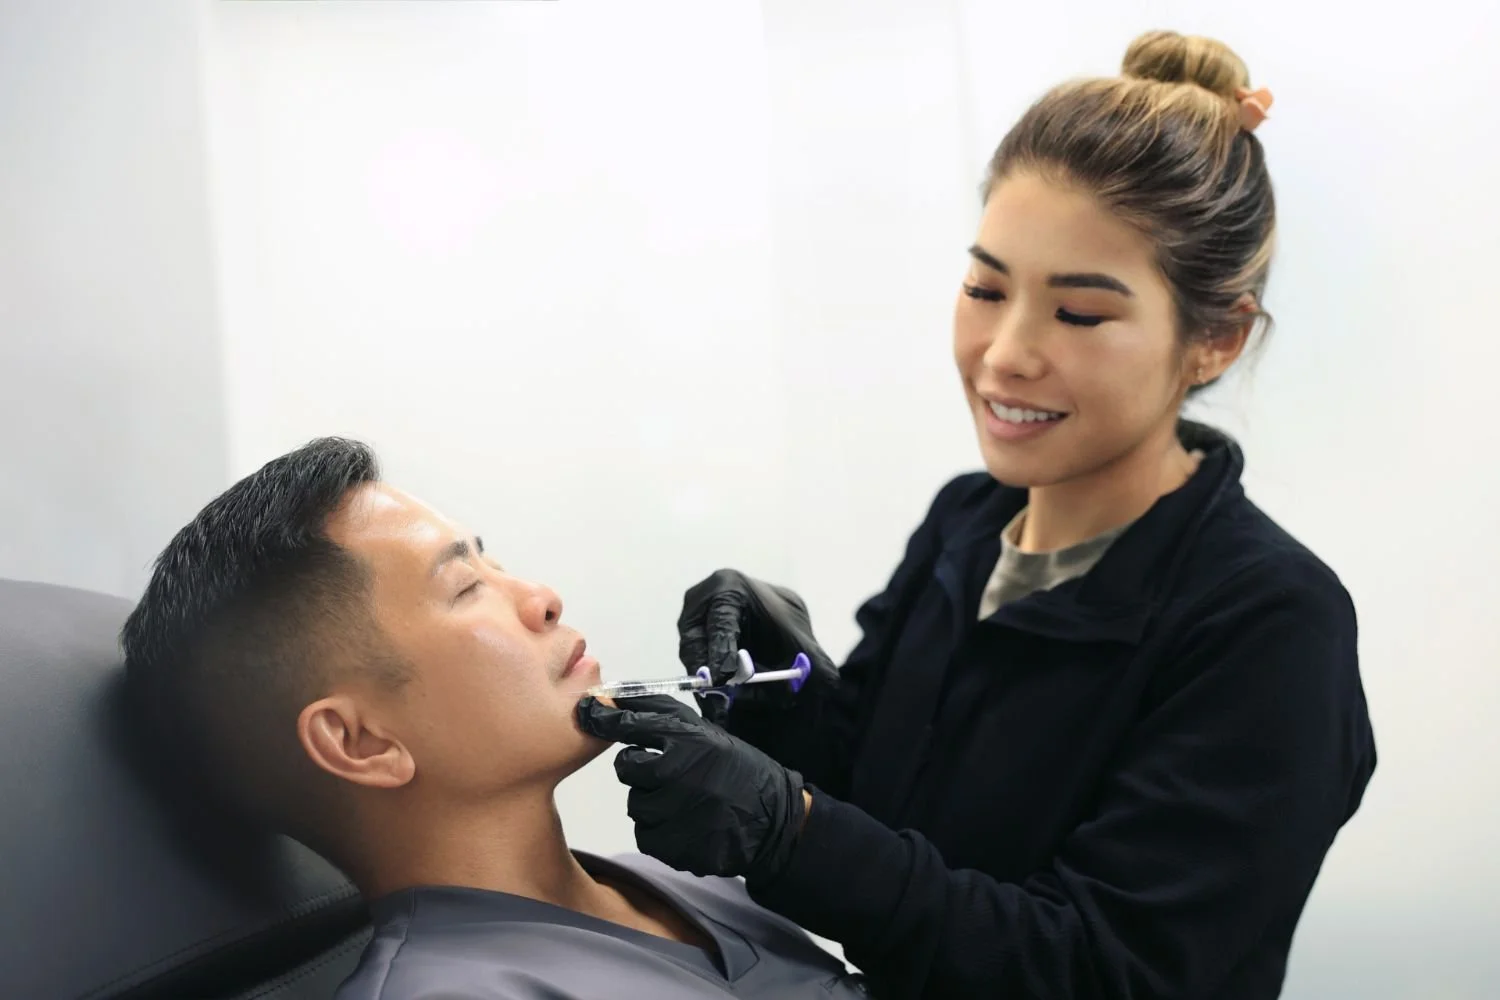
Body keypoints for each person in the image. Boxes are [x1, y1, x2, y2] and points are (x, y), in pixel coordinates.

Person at [577, 29, 1377, 1000]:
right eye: (985, 288)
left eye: (1078, 313)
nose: (1004, 353)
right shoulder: (969, 522)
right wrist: (786, 697)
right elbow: (892, 812)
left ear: (1214, 337)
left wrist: (789, 827)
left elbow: (1103, 972)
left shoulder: (1272, 625)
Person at [121, 437, 869, 1000]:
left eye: (496, 563)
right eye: (466, 587)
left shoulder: (684, 880)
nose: (541, 597)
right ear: (360, 740)